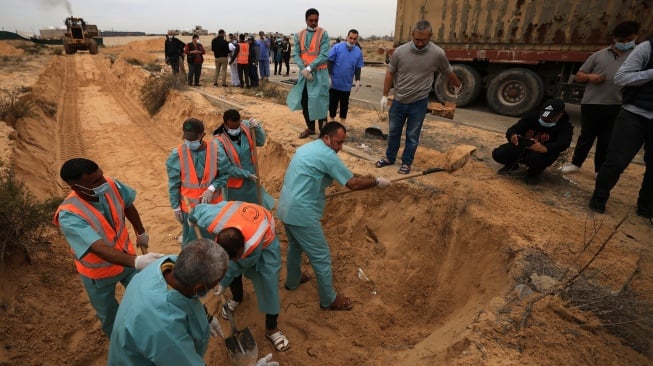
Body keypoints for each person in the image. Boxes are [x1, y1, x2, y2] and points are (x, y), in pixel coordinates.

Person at [277, 122, 392, 311]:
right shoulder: (327, 155)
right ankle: (328, 300)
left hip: (286, 207)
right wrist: (376, 182)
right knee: (321, 257)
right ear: (327, 138)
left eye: (343, 143)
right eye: (338, 143)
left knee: (295, 247)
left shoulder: (308, 147)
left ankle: (293, 280)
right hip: (301, 213)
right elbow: (352, 183)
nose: (340, 148)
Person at [54, 158, 163, 337]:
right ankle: (121, 347)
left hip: (126, 262)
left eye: (101, 175)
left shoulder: (110, 185)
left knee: (147, 298)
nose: (104, 182)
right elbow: (98, 247)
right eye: (96, 181)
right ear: (76, 187)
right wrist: (137, 261)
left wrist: (141, 232)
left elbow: (128, 205)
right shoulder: (69, 215)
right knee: (110, 317)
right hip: (99, 275)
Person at [189, 201, 290, 352]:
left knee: (269, 282)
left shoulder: (252, 245)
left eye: (236, 257)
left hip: (265, 239)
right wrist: (191, 218)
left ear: (243, 249)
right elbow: (196, 210)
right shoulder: (212, 218)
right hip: (240, 217)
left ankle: (271, 328)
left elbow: (238, 266)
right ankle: (237, 297)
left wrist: (223, 282)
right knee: (230, 270)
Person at [376, 20, 462, 175]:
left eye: (424, 40)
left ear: (430, 35)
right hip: (399, 101)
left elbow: (448, 71)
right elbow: (390, 73)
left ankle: (407, 163)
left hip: (419, 102)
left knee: (412, 135)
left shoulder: (437, 53)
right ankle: (389, 158)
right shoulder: (400, 52)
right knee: (394, 132)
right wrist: (384, 95)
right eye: (417, 39)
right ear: (412, 35)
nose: (420, 43)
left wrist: (457, 84)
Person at [561, 21, 641, 175]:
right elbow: (579, 75)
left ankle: (599, 169)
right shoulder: (599, 55)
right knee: (586, 136)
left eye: (629, 40)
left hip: (617, 104)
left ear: (636, 37)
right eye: (622, 40)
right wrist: (591, 77)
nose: (625, 43)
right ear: (615, 38)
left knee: (607, 140)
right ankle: (576, 163)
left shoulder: (637, 56)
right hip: (592, 102)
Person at [589, 35, 653, 220]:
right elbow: (621, 77)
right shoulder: (646, 49)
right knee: (616, 161)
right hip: (635, 114)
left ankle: (646, 206)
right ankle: (599, 199)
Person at [166, 118, 224, 248]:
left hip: (212, 208)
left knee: (212, 244)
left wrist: (212, 188)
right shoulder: (177, 154)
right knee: (191, 245)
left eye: (193, 139)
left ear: (202, 135)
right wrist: (176, 207)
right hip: (189, 209)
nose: (190, 142)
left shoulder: (216, 151)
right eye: (187, 139)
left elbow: (224, 174)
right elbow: (174, 183)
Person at [492, 98, 573, 185]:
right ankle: (512, 165)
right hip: (523, 147)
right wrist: (512, 136)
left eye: (549, 118)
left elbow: (564, 143)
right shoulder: (532, 117)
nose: (545, 119)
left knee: (535, 159)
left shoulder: (565, 126)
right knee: (499, 153)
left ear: (560, 115)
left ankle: (534, 173)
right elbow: (513, 129)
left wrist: (545, 148)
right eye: (543, 116)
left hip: (541, 154)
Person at [213, 109, 275, 209]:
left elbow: (260, 141)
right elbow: (226, 167)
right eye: (232, 128)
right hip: (234, 185)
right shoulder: (219, 142)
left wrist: (257, 128)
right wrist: (246, 174)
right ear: (225, 124)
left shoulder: (245, 127)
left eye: (237, 126)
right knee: (238, 211)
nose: (236, 130)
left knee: (257, 207)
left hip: (251, 178)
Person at [286, 8, 330, 139]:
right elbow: (296, 54)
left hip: (319, 73)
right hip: (305, 75)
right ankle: (310, 128)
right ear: (306, 20)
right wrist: (303, 69)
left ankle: (324, 131)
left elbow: (324, 54)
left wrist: (310, 68)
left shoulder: (324, 34)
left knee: (320, 101)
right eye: (311, 20)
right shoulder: (299, 35)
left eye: (316, 20)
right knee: (305, 101)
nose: (313, 23)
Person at [328, 29, 364, 127]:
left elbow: (358, 67)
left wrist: (357, 80)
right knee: (333, 103)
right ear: (347, 37)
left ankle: (342, 122)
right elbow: (329, 61)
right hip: (335, 83)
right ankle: (331, 120)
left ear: (357, 39)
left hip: (346, 84)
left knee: (344, 104)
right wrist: (329, 76)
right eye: (350, 38)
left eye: (354, 39)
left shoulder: (358, 52)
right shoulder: (337, 47)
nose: (352, 40)